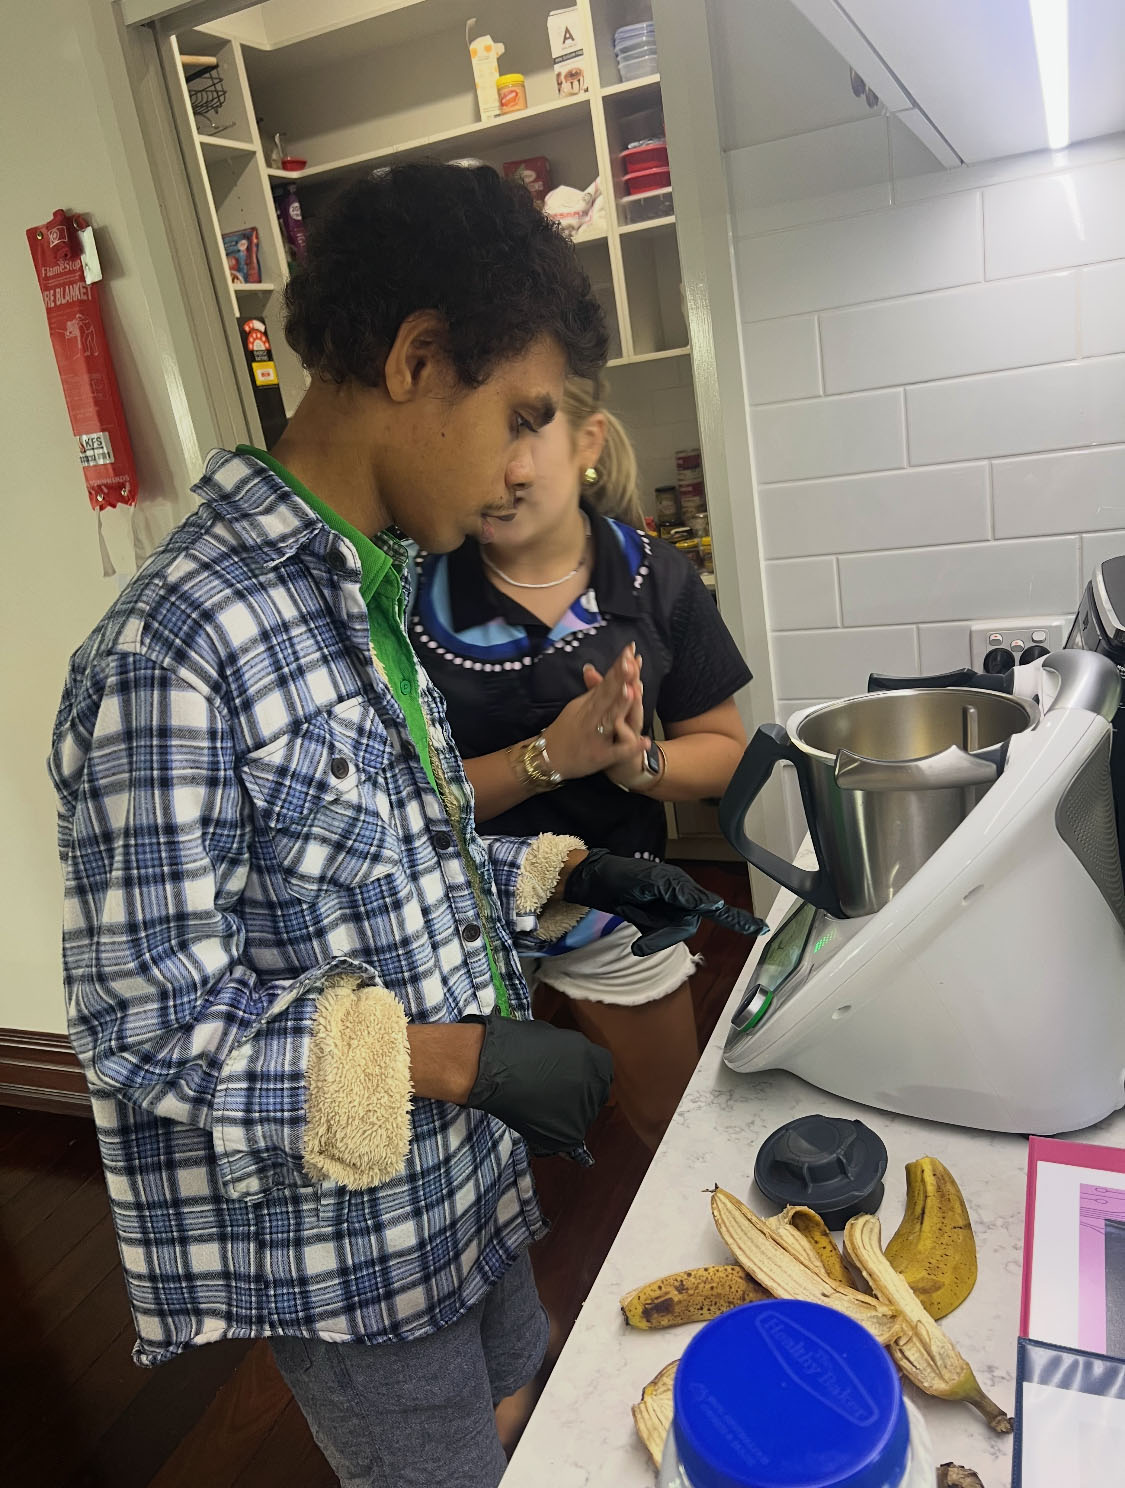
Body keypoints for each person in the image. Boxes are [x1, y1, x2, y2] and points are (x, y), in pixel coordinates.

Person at [48, 163, 763, 1488]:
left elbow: (402, 856)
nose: (522, 461)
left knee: (527, 1422)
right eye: (522, 413)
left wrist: (568, 872)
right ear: (419, 360)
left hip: (468, 1193)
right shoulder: (174, 648)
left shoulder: (373, 593)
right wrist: (458, 1062)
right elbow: (144, 1025)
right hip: (352, 1259)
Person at [410, 377, 755, 1150]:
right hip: (459, 916)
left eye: (522, 430)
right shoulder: (406, 593)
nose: (498, 469)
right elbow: (397, 803)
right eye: (473, 433)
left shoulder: (657, 578)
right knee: (472, 1148)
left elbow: (726, 753)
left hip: (611, 904)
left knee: (676, 1131)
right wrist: (547, 759)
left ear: (586, 440)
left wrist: (641, 765)